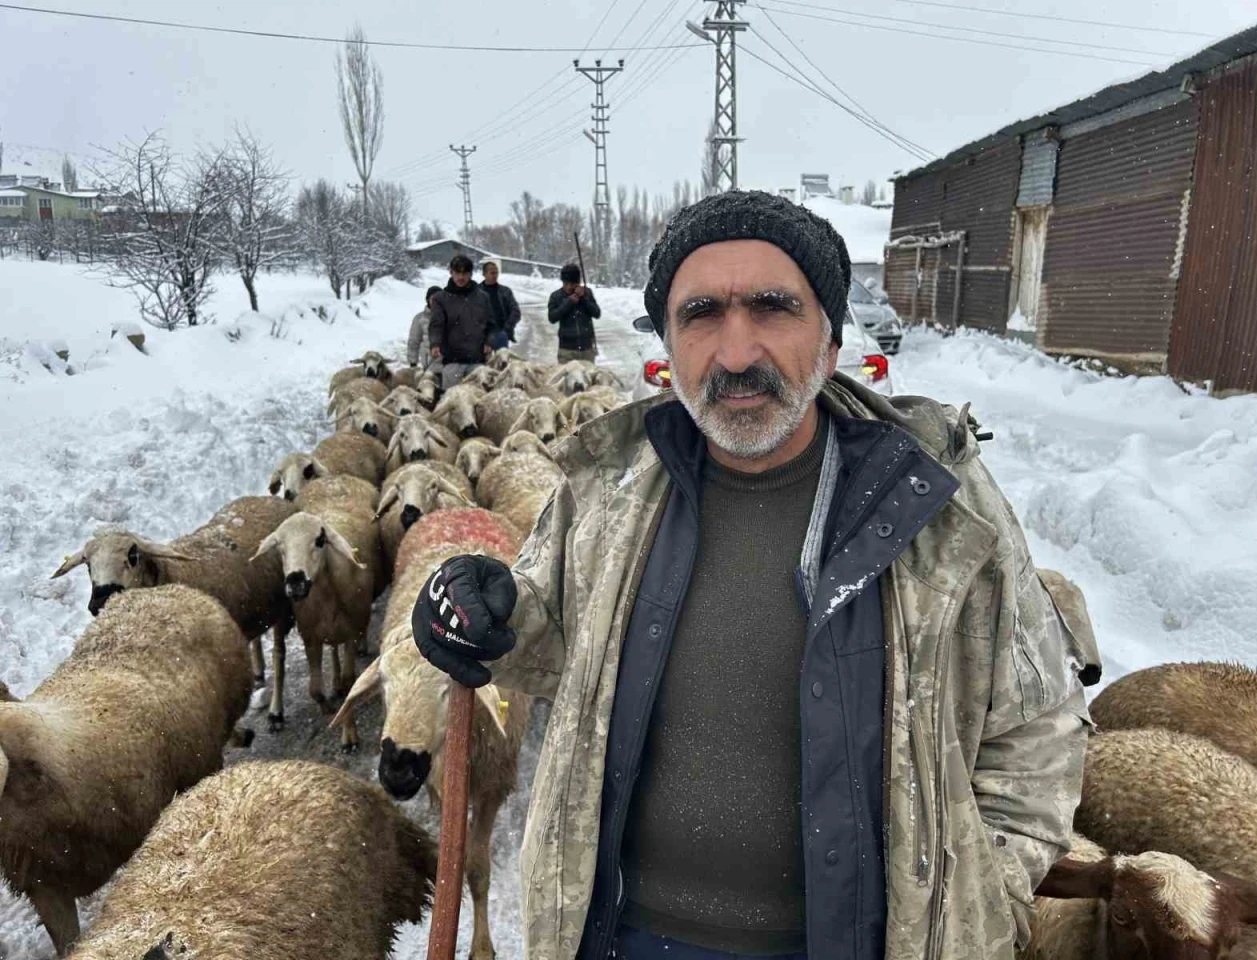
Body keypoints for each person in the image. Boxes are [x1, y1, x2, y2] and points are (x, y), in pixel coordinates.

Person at [413, 192, 1091, 960]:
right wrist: (483, 613)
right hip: (621, 937)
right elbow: (553, 644)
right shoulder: (609, 488)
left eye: (773, 308)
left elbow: (1037, 726)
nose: (736, 353)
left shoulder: (936, 508)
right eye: (701, 313)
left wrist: (981, 897)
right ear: (668, 346)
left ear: (830, 342)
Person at [428, 255, 500, 390]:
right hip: (452, 361)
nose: (461, 277)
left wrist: (489, 342)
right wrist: (435, 343)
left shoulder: (483, 297)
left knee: (479, 402)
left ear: (471, 274)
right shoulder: (440, 299)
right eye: (457, 273)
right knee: (452, 400)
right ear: (451, 273)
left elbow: (491, 325)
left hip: (477, 361)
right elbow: (436, 324)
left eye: (465, 273)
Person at [547, 262, 601, 363]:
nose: (568, 287)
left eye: (572, 284)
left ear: (578, 282)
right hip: (566, 350)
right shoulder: (556, 296)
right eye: (566, 284)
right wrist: (569, 302)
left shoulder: (587, 293)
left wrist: (584, 299)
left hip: (586, 349)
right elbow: (552, 317)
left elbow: (597, 313)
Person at [480, 260, 521, 348]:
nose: (495, 276)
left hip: (501, 333)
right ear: (484, 274)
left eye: (496, 273)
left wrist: (508, 327)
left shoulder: (505, 291)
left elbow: (516, 311)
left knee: (502, 359)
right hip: (481, 335)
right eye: (492, 273)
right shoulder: (476, 292)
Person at [407, 285, 443, 370]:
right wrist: (413, 363)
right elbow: (413, 342)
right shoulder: (420, 319)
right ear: (428, 299)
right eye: (433, 299)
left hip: (448, 364)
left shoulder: (449, 316)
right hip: (429, 364)